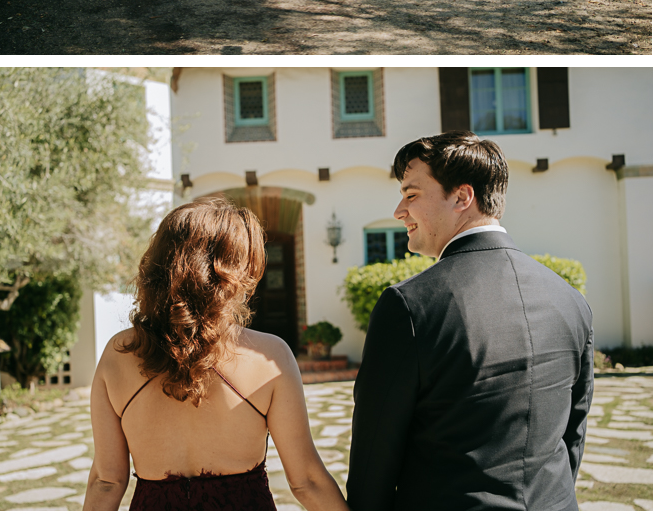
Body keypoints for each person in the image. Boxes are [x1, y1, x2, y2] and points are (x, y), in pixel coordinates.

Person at [347, 131, 594, 511]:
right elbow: (572, 436)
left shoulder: (409, 306)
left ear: (463, 197)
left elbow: (374, 460)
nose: (399, 211)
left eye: (411, 195)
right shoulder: (570, 299)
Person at [83, 200, 348, 511]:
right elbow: (307, 481)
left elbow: (107, 481)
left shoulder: (118, 354)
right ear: (230, 273)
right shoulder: (269, 356)